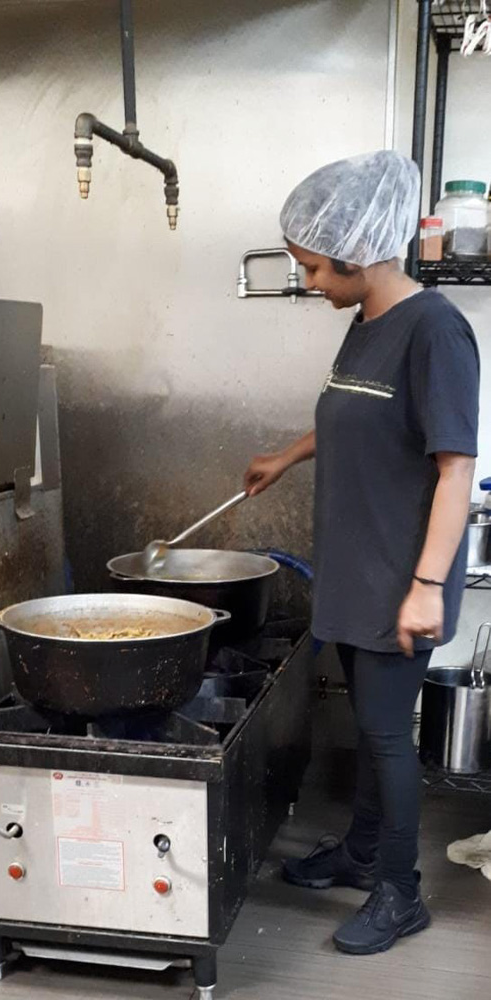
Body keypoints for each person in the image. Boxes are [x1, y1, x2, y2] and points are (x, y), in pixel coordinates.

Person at [244, 150, 479, 956]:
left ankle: (399, 892)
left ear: (355, 253)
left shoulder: (436, 329)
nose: (308, 281)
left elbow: (456, 468)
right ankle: (360, 852)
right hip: (352, 566)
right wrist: (287, 455)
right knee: (367, 720)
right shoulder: (366, 322)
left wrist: (424, 588)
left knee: (384, 736)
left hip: (398, 578)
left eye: (312, 266)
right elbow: (355, 413)